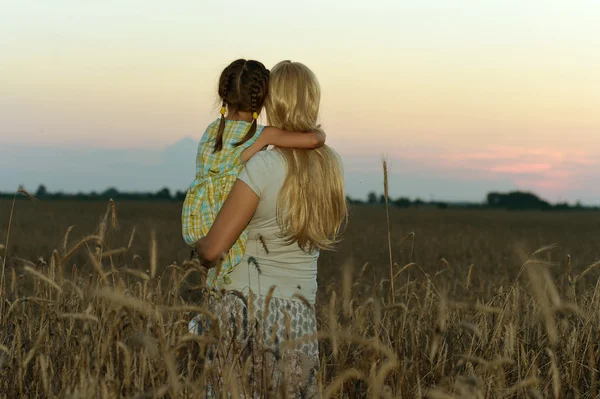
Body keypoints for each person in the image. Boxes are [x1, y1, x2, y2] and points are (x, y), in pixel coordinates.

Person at [193, 61, 347, 397]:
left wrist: (198, 250)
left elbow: (215, 247)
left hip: (242, 311)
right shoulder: (331, 167)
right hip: (299, 319)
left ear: (270, 101)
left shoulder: (261, 165)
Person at [181, 59, 326, 288]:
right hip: (231, 213)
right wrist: (320, 133)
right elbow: (312, 140)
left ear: (223, 94)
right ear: (263, 100)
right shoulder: (262, 135)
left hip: (201, 215)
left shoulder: (210, 133)